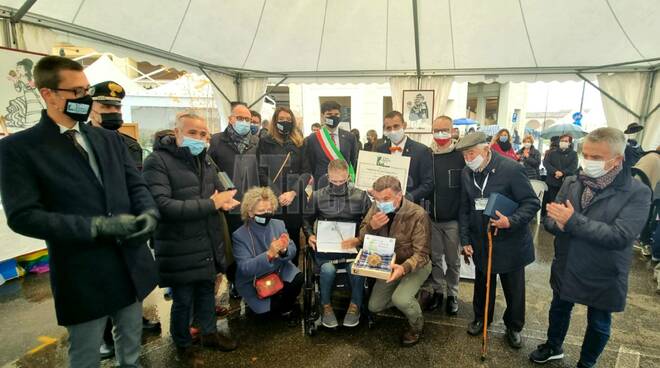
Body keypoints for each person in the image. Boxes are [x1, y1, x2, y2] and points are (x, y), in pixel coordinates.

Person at [0, 55, 159, 368]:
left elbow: (136, 186)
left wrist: (150, 213)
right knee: (85, 351)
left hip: (128, 261)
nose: (85, 98)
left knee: (131, 339)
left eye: (86, 90)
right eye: (76, 92)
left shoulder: (110, 140)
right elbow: (23, 215)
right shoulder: (19, 149)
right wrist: (95, 227)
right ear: (48, 94)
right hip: (82, 268)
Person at [530, 128, 651, 368]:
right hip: (567, 262)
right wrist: (559, 224)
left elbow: (621, 235)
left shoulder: (637, 192)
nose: (588, 162)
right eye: (585, 155)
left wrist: (571, 221)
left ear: (617, 160)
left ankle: (587, 362)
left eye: (596, 158)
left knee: (598, 321)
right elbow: (551, 218)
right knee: (559, 308)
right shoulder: (572, 182)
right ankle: (553, 345)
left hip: (603, 269)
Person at [142, 111, 240, 356]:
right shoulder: (157, 161)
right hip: (178, 244)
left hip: (206, 239)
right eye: (192, 132)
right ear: (177, 132)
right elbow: (161, 205)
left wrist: (225, 200)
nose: (198, 138)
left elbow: (218, 188)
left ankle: (209, 333)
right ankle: (183, 344)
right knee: (183, 299)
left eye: (203, 134)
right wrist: (213, 204)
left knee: (207, 292)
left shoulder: (205, 160)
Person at [88, 80, 159, 359]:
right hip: (100, 228)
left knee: (131, 278)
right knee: (103, 283)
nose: (113, 111)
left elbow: (137, 184)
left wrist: (146, 213)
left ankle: (131, 321)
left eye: (117, 106)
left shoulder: (128, 144)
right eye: (106, 105)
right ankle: (104, 335)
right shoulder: (79, 143)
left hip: (130, 226)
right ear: (90, 106)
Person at [457, 131, 540, 349]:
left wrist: (511, 221)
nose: (468, 159)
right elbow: (464, 208)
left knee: (514, 289)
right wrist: (465, 240)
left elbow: (531, 203)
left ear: (486, 150)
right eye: (464, 155)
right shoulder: (467, 173)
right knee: (483, 286)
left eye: (471, 153)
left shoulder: (512, 169)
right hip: (481, 240)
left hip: (510, 241)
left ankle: (513, 326)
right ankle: (481, 318)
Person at [359, 176, 432, 346]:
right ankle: (413, 298)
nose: (380, 203)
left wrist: (404, 268)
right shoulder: (376, 208)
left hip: (415, 265)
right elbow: (362, 237)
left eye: (386, 199)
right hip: (389, 264)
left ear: (399, 196)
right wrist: (371, 227)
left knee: (401, 299)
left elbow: (422, 254)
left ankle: (416, 326)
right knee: (374, 306)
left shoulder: (417, 214)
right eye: (377, 199)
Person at [303, 159, 371, 328]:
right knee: (327, 270)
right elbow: (306, 219)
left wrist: (360, 239)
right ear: (328, 177)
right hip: (326, 248)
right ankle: (325, 306)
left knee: (355, 269)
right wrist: (310, 235)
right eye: (334, 181)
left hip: (352, 246)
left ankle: (355, 305)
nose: (338, 184)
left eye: (342, 181)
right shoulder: (318, 195)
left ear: (348, 176)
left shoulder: (361, 196)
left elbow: (369, 223)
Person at [232, 187, 302, 321]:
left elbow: (292, 249)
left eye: (269, 210)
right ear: (250, 212)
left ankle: (284, 306)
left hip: (279, 270)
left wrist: (284, 251)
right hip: (254, 279)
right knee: (266, 315)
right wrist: (269, 254)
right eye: (261, 211)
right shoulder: (239, 235)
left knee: (297, 279)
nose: (266, 214)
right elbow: (245, 268)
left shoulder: (278, 224)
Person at [418, 116, 465, 314]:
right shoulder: (427, 154)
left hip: (453, 220)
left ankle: (453, 294)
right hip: (432, 218)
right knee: (436, 258)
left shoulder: (460, 155)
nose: (440, 134)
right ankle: (438, 291)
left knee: (453, 260)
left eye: (444, 129)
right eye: (436, 130)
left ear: (452, 130)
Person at [257, 107, 310, 266]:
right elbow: (261, 171)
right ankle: (274, 273)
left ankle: (292, 272)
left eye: (288, 120)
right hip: (273, 200)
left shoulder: (300, 142)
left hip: (295, 199)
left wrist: (293, 192)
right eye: (281, 119)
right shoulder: (265, 141)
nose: (285, 122)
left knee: (292, 236)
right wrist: (277, 194)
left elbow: (306, 171)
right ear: (275, 120)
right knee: (274, 237)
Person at [209, 103, 260, 235]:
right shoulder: (216, 140)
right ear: (230, 119)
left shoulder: (257, 142)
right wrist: (226, 189)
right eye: (240, 118)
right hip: (227, 202)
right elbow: (212, 170)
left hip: (251, 203)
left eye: (247, 119)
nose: (244, 122)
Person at [376, 111, 433, 204]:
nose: (392, 131)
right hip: (385, 206)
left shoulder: (421, 151)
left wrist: (406, 198)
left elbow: (428, 184)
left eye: (396, 126)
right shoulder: (380, 150)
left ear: (404, 125)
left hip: (411, 207)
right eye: (388, 128)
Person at [303, 101, 359, 187]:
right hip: (322, 185)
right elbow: (312, 164)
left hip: (344, 184)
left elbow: (353, 161)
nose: (333, 117)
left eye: (336, 114)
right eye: (329, 114)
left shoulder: (350, 137)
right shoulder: (313, 139)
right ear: (322, 116)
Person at [543, 134, 578, 217]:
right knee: (551, 200)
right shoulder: (552, 152)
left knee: (562, 202)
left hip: (565, 182)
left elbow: (573, 167)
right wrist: (555, 172)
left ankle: (559, 218)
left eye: (566, 141)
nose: (563, 142)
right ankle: (549, 217)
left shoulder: (573, 154)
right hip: (552, 181)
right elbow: (546, 163)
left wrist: (562, 173)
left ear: (569, 143)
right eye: (562, 141)